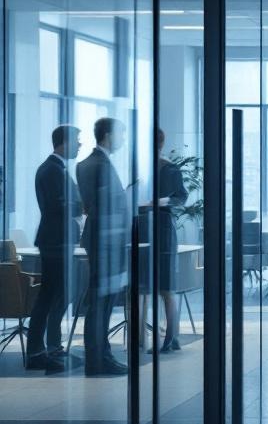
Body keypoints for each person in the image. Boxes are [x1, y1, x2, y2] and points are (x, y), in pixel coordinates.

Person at [26, 125, 84, 374]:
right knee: (52, 296)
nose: (80, 145)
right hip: (55, 240)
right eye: (77, 141)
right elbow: (59, 206)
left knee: (54, 295)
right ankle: (42, 352)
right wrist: (84, 205)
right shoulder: (51, 170)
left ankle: (49, 349)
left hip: (57, 239)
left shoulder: (56, 168)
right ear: (64, 142)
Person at [77, 118, 131, 376]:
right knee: (102, 302)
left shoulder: (87, 163)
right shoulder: (100, 165)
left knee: (101, 302)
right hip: (107, 242)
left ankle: (99, 356)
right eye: (121, 133)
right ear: (108, 135)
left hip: (101, 240)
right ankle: (99, 359)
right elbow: (103, 206)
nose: (123, 139)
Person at [139, 128, 188, 354]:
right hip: (141, 227)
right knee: (144, 287)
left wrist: (161, 201)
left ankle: (171, 337)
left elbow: (181, 197)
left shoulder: (169, 168)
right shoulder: (138, 169)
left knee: (166, 287)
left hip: (163, 227)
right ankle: (142, 338)